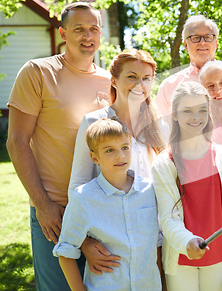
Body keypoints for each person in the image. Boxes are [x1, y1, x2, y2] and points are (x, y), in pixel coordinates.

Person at [6, 2, 111, 290]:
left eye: (93, 29)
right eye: (79, 29)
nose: (87, 35)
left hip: (102, 210)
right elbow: (16, 141)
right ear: (64, 33)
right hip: (55, 211)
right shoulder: (38, 72)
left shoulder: (109, 81)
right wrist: (42, 204)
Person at [68, 49, 166, 279]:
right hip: (110, 238)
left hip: (155, 234)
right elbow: (78, 185)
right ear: (114, 80)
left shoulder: (159, 124)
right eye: (131, 76)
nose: (139, 84)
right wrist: (84, 242)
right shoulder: (94, 121)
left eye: (146, 78)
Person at [152, 81, 222, 291]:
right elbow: (167, 218)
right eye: (187, 111)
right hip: (180, 261)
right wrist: (187, 242)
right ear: (174, 114)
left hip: (220, 261)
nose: (196, 117)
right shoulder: (163, 163)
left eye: (202, 110)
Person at [53, 117, 162, 290]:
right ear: (94, 158)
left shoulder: (150, 191)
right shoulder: (84, 198)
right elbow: (66, 252)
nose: (120, 155)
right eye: (109, 150)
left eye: (125, 147)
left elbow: (157, 243)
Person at [155, 15, 222, 119]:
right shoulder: (169, 86)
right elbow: (161, 130)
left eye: (208, 37)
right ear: (186, 44)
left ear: (216, 43)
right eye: (195, 38)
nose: (202, 42)